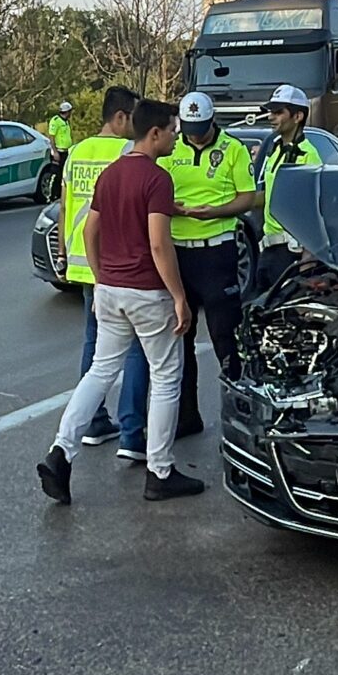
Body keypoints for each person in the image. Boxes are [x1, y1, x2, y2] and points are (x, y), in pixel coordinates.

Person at [38, 98, 204, 504]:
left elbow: (91, 230)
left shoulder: (111, 175)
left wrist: (99, 277)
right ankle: (160, 471)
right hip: (148, 293)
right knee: (166, 377)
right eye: (173, 131)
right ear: (154, 133)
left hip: (109, 290)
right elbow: (159, 244)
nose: (176, 138)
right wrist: (180, 297)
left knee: (99, 372)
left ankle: (61, 451)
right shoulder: (156, 179)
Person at [156, 90, 257, 442]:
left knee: (225, 338)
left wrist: (214, 211)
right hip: (179, 253)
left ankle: (238, 417)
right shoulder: (172, 148)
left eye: (200, 128)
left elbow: (248, 197)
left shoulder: (233, 149)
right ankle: (187, 417)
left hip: (217, 252)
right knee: (180, 340)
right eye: (189, 128)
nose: (194, 135)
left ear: (213, 120)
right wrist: (172, 208)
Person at [59, 86, 145, 449]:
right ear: (121, 117)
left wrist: (63, 253)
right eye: (133, 118)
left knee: (93, 345)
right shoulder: (127, 152)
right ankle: (132, 432)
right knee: (134, 348)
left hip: (81, 261)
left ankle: (93, 422)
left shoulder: (77, 151)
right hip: (114, 262)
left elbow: (65, 207)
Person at [251, 84, 321, 296]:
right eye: (271, 112)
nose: (271, 117)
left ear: (298, 116)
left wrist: (308, 256)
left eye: (279, 112)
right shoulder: (276, 149)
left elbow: (313, 208)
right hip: (270, 249)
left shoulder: (308, 155)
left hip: (291, 252)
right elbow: (269, 195)